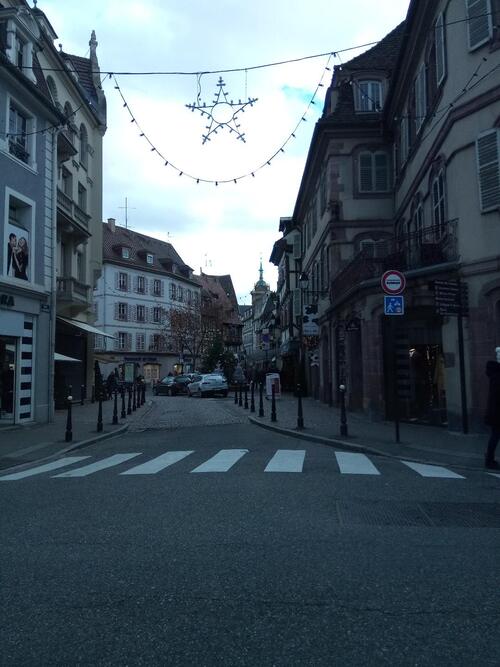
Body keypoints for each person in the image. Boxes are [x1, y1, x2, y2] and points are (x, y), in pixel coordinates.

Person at [484, 347, 500, 470]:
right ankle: (489, 460)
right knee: (495, 435)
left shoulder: (495, 374)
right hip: (497, 412)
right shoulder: (497, 376)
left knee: (495, 435)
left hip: (495, 411)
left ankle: (489, 459)